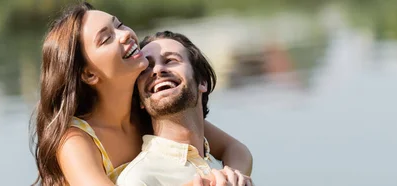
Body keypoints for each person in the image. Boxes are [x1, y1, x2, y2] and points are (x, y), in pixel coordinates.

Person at [32, 2, 252, 186]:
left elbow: (236, 149)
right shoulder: (75, 139)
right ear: (89, 74)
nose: (125, 35)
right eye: (106, 38)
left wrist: (228, 177)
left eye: (118, 25)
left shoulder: (145, 107)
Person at [117, 31, 253, 186]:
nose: (157, 70)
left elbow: (237, 149)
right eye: (147, 68)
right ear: (140, 99)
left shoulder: (224, 168)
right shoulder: (139, 179)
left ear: (202, 81)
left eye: (170, 60)